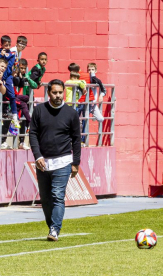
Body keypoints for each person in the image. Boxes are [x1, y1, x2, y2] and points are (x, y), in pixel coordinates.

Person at [29, 79, 81, 241]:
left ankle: (54, 229)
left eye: (60, 92)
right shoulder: (39, 110)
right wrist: (37, 156)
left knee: (57, 195)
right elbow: (33, 134)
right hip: (43, 162)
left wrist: (75, 162)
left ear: (64, 92)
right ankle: (52, 225)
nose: (58, 95)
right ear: (49, 93)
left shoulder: (71, 113)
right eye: (54, 92)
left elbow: (76, 139)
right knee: (45, 199)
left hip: (63, 161)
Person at [0, 35, 19, 128]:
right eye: (5, 45)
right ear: (2, 44)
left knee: (11, 95)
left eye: (9, 45)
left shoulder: (12, 54)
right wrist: (1, 55)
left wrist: (3, 77)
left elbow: (10, 66)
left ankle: (14, 114)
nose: (7, 47)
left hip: (7, 76)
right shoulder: (0, 52)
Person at [12, 58, 31, 149]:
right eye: (21, 68)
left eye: (24, 68)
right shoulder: (13, 77)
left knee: (22, 121)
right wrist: (19, 77)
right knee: (11, 121)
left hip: (22, 101)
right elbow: (16, 82)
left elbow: (32, 85)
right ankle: (5, 141)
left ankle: (22, 142)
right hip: (14, 101)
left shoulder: (26, 77)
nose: (23, 70)